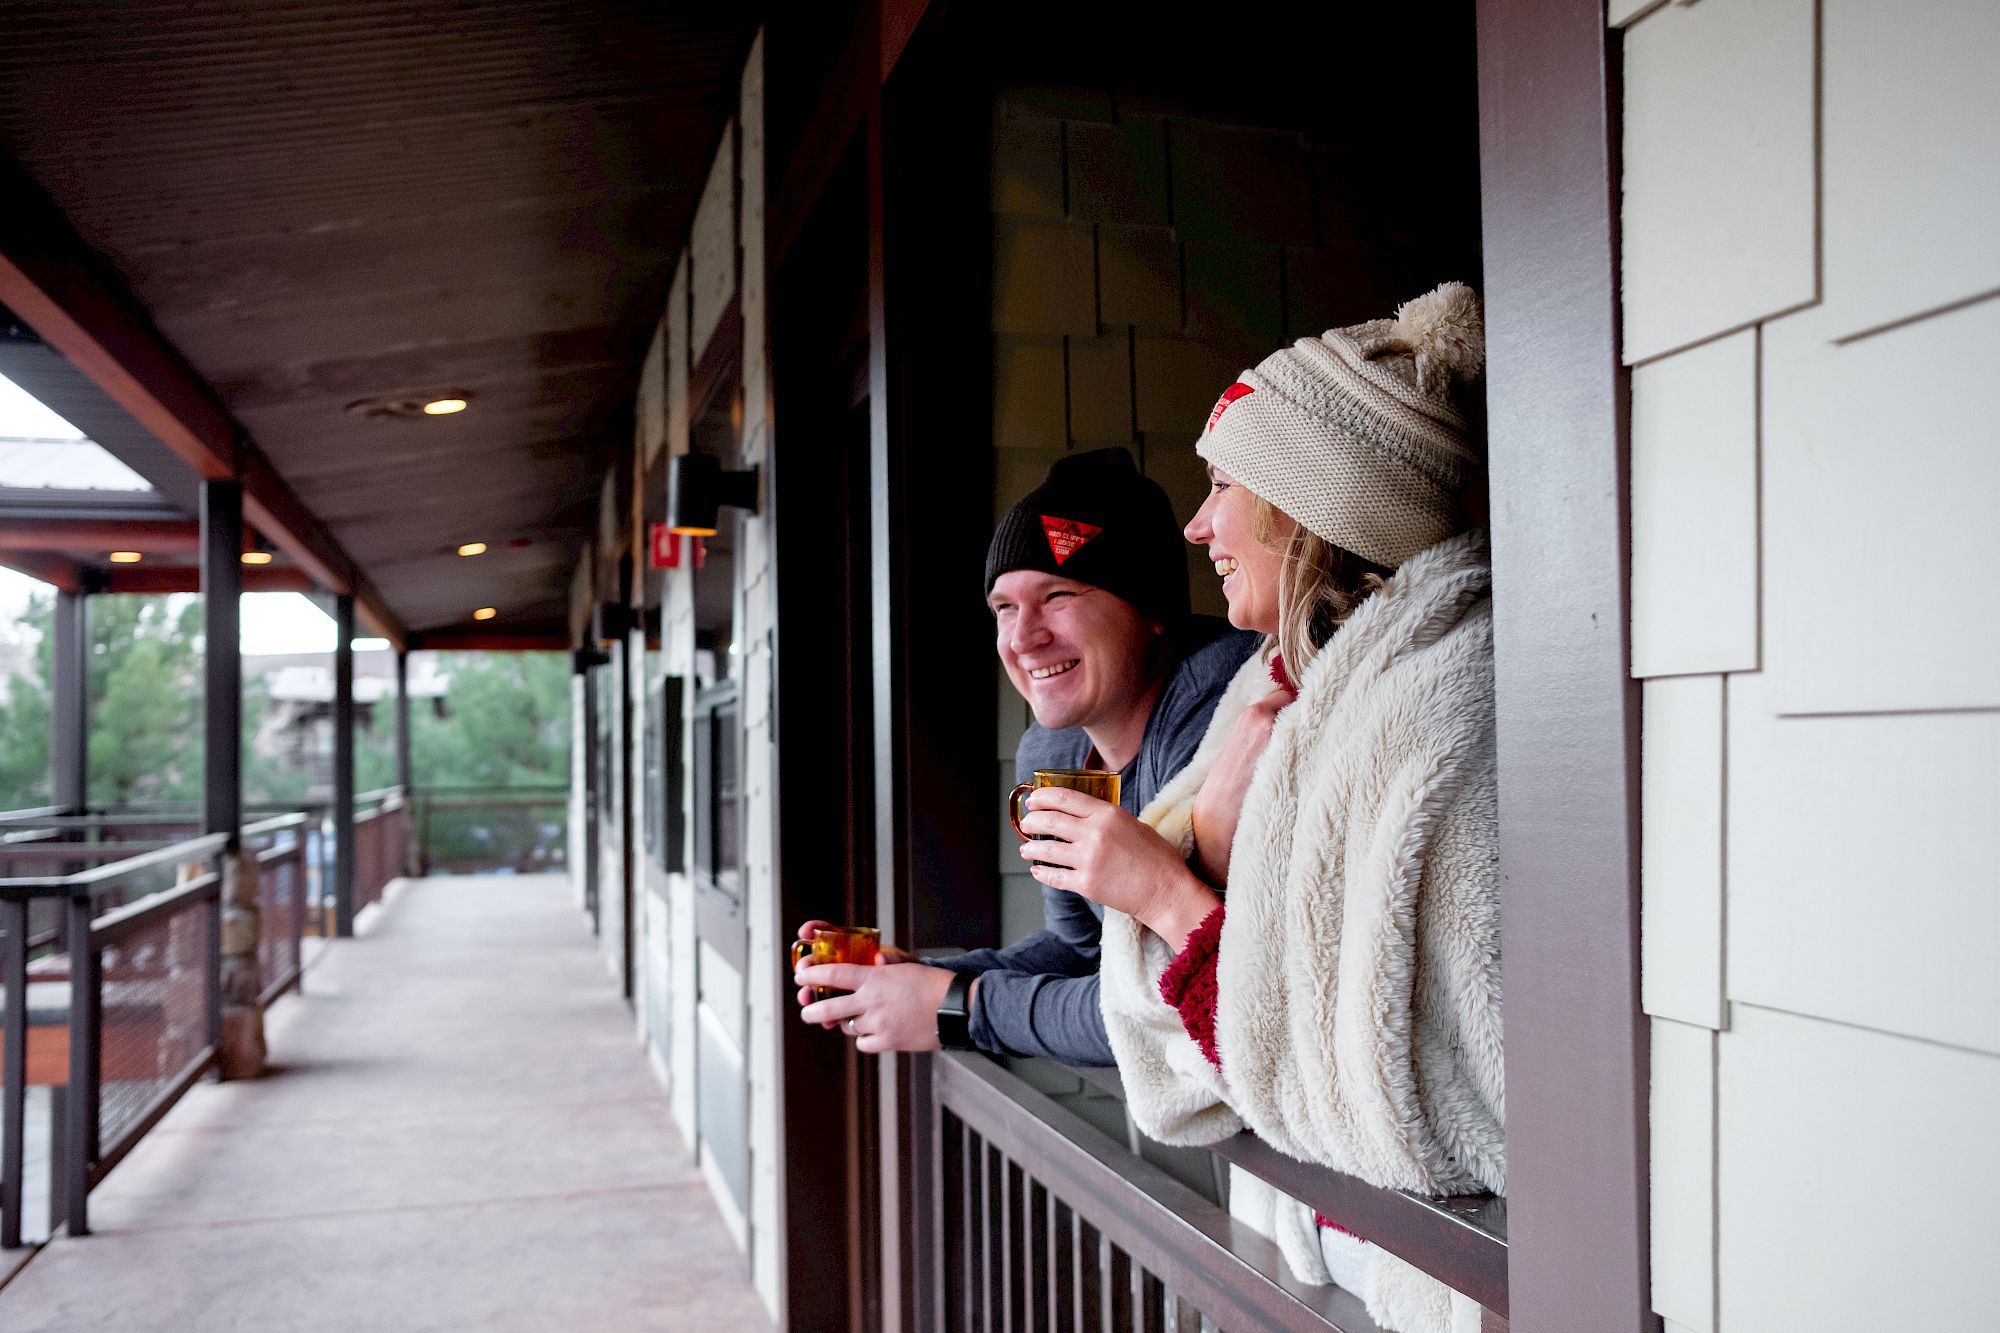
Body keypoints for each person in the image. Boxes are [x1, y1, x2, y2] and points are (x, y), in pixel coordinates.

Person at [1014, 283, 1502, 1333]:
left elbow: (1411, 1083)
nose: (1198, 526)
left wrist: (1158, 886)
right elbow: (1173, 1040)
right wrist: (1196, 848)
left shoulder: (1444, 711)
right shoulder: (1279, 690)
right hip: (1302, 1246)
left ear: (1310, 502)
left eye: (1223, 484)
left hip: (1430, 1271)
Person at [792, 447, 1257, 1064]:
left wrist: (961, 1006)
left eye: (1058, 594)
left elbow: (1176, 1003)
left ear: (1151, 612)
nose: (1021, 638)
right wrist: (921, 979)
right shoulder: (1055, 749)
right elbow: (1085, 951)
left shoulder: (1221, 711)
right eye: (1004, 608)